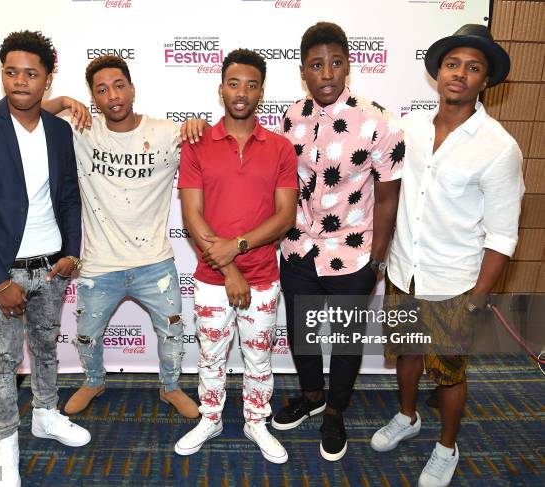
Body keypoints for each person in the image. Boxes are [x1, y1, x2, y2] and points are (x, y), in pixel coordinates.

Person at [369, 24, 524, 487]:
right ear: (438, 72)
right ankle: (407, 416)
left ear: (485, 82)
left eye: (473, 68)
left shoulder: (500, 149)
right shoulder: (409, 129)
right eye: (453, 64)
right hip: (403, 272)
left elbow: (502, 236)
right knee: (407, 357)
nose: (460, 74)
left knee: (451, 375)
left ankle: (446, 447)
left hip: (455, 282)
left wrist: (478, 299)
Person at [0, 31, 90, 487]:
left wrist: (71, 251)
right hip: (1, 269)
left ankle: (46, 415)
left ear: (47, 80)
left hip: (50, 266)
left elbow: (68, 196)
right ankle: (3, 446)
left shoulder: (58, 129)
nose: (20, 82)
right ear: (2, 74)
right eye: (11, 72)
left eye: (31, 74)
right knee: (3, 361)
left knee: (47, 349)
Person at [269, 22, 404, 462]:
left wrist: (377, 261)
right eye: (315, 65)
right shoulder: (291, 116)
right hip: (298, 248)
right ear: (304, 71)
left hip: (354, 251)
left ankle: (336, 412)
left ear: (349, 64)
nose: (326, 73)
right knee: (301, 334)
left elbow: (387, 197)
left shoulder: (378, 121)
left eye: (335, 62)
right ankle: (312, 397)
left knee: (346, 341)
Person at [42, 55, 199, 418]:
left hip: (155, 263)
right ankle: (94, 380)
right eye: (101, 90)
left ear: (132, 89)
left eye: (118, 85)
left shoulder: (164, 132)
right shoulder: (79, 130)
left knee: (173, 333)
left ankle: (170, 387)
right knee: (86, 334)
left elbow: (205, 137)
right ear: (93, 99)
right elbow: (28, 118)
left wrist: (197, 123)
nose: (112, 95)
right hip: (99, 264)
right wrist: (65, 101)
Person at [174, 49, 298, 463]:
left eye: (250, 84)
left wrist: (239, 246)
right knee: (210, 357)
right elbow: (192, 217)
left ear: (262, 91)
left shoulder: (281, 148)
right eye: (233, 83)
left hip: (263, 277)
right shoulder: (196, 144)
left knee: (258, 358)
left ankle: (255, 421)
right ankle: (211, 418)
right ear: (221, 88)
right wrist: (229, 270)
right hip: (212, 279)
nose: (241, 92)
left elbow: (284, 218)